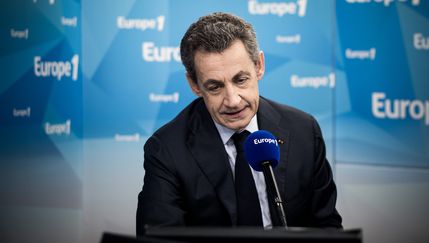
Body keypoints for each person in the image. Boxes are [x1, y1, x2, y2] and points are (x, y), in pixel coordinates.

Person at [136, 12, 342, 235]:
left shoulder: (303, 130)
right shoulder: (166, 150)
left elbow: (327, 227)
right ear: (194, 84)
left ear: (259, 66)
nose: (233, 100)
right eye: (215, 87)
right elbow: (158, 236)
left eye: (241, 79)